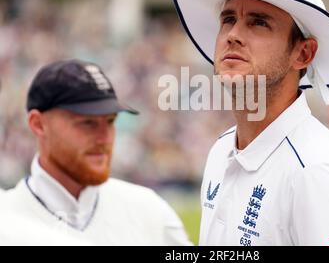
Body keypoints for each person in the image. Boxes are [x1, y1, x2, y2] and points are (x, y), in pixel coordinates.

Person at [172, 0, 329, 245]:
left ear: (303, 53)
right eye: (228, 19)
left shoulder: (317, 169)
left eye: (259, 22)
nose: (233, 34)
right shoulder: (221, 150)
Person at [2, 59, 191, 245]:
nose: (105, 138)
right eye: (87, 123)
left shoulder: (149, 210)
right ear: (38, 124)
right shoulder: (6, 221)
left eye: (110, 121)